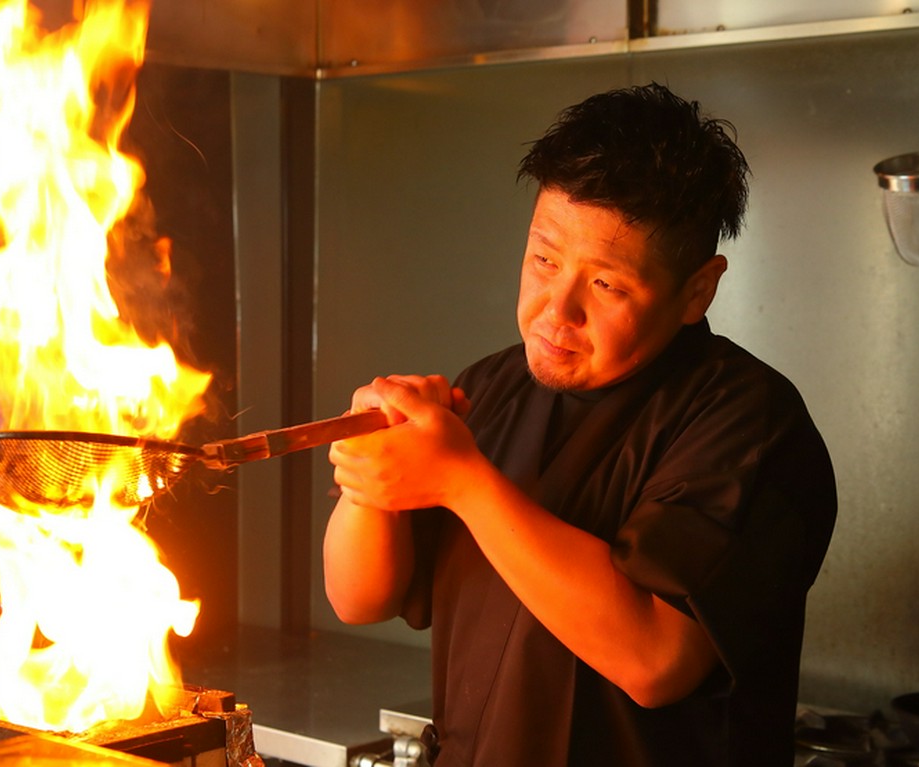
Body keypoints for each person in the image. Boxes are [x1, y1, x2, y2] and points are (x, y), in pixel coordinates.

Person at [323, 83, 837, 767]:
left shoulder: (749, 421)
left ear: (697, 290)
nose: (554, 311)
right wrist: (369, 480)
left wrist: (463, 479)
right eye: (543, 259)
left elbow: (656, 658)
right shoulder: (493, 386)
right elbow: (360, 597)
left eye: (607, 285)